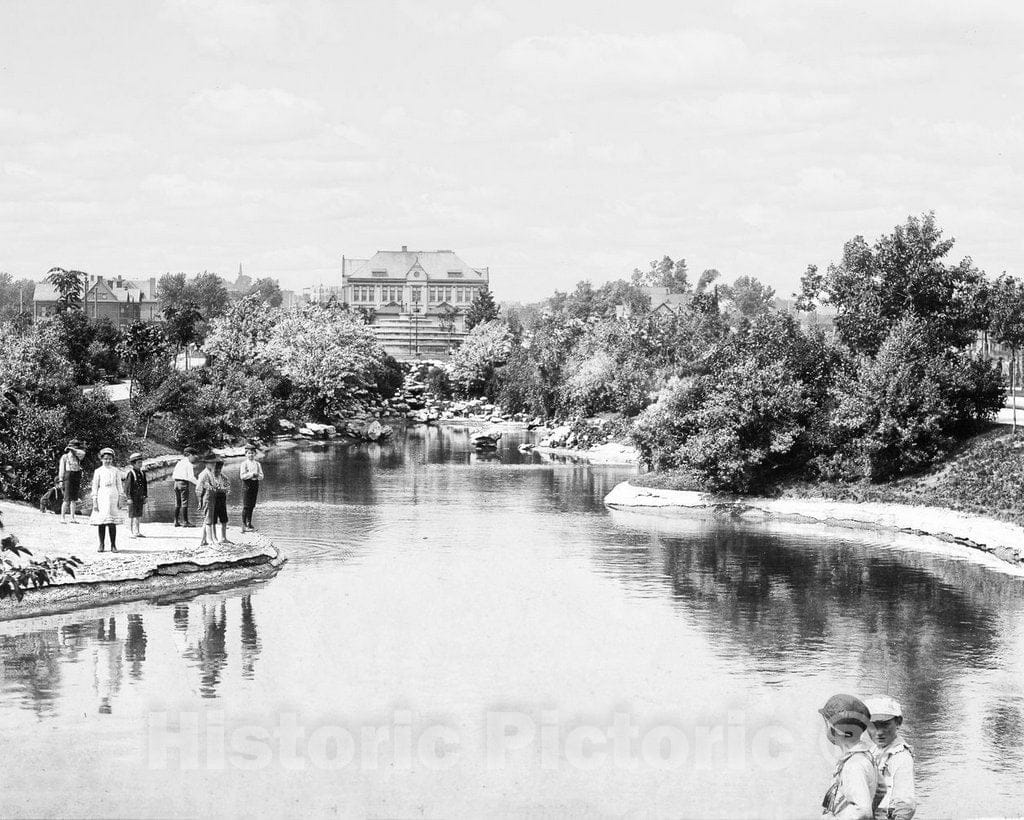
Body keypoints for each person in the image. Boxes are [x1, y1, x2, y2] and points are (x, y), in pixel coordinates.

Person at [820, 693, 878, 819]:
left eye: (826, 723)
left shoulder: (854, 766)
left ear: (835, 730)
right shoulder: (861, 757)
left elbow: (863, 810)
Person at [865, 696, 916, 820]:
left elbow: (905, 804)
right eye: (873, 725)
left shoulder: (901, 757)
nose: (879, 732)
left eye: (885, 725)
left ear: (898, 723)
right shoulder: (874, 750)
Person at [90, 447, 126, 552]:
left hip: (113, 497)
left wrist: (120, 498)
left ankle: (113, 545)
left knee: (112, 522)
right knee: (101, 522)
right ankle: (101, 544)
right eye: (105, 459)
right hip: (102, 497)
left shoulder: (116, 471)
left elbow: (119, 485)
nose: (108, 461)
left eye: (110, 459)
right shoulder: (98, 471)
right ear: (101, 459)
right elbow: (95, 486)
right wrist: (95, 501)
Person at [196, 453, 231, 546]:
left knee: (208, 519)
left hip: (214, 498)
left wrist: (223, 489)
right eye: (212, 463)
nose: (214, 465)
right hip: (208, 498)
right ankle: (210, 539)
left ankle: (204, 540)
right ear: (207, 463)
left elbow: (227, 487)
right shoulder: (204, 474)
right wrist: (200, 500)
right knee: (209, 520)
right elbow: (199, 488)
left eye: (215, 464)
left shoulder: (215, 475)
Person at [58, 439, 86, 524]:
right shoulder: (65, 457)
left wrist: (73, 449)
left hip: (76, 476)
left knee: (74, 499)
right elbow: (61, 469)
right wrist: (60, 480)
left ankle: (72, 518)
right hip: (68, 476)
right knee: (66, 498)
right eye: (73, 447)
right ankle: (62, 518)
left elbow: (82, 453)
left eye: (76, 447)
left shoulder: (78, 456)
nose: (74, 449)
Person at [171, 446, 199, 527]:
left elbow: (173, 475)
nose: (194, 458)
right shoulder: (189, 464)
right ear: (189, 455)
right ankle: (185, 522)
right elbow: (191, 478)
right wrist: (198, 483)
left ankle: (176, 521)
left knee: (177, 502)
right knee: (184, 502)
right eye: (193, 456)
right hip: (183, 483)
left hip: (176, 483)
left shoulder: (179, 463)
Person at [239, 444, 264, 532]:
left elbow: (261, 476)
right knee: (246, 505)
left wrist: (257, 476)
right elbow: (242, 476)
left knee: (252, 505)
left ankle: (249, 523)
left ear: (255, 454)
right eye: (249, 453)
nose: (251, 455)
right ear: (246, 454)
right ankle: (243, 524)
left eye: (252, 453)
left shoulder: (257, 464)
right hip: (246, 485)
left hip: (255, 484)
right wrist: (252, 474)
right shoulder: (244, 464)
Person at [123, 452, 148, 538]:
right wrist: (129, 498)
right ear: (133, 463)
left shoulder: (142, 473)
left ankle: (137, 531)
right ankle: (130, 531)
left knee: (138, 515)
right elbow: (128, 487)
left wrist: (145, 496)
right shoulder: (131, 473)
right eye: (139, 462)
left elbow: (145, 486)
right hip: (133, 498)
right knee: (131, 515)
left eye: (141, 462)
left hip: (140, 497)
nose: (141, 464)